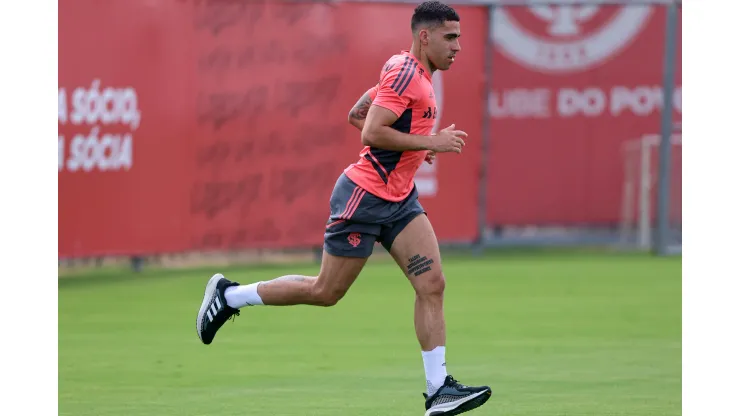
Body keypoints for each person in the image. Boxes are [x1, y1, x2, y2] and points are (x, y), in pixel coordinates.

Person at [195, 1, 491, 415]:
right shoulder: (408, 74)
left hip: (399, 200)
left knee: (432, 285)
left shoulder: (410, 70)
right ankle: (230, 296)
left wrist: (413, 151)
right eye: (450, 37)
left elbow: (357, 113)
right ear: (425, 37)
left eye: (459, 37)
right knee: (325, 291)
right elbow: (370, 130)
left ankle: (438, 388)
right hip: (364, 198)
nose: (457, 46)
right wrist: (429, 143)